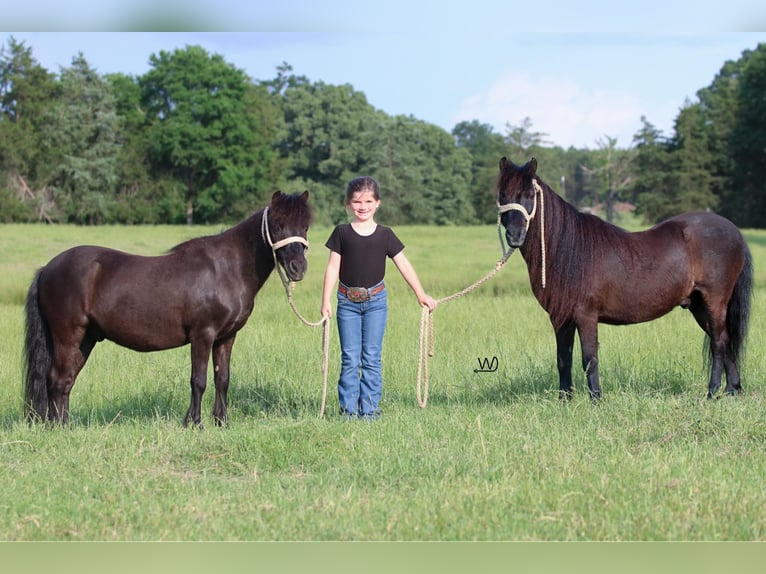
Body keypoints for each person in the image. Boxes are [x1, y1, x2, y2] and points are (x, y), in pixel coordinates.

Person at [321, 176, 437, 419]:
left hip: (376, 303)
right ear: (348, 204)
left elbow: (403, 264)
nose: (362, 206)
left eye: (368, 201)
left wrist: (420, 293)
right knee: (350, 358)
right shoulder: (341, 233)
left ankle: (371, 411)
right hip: (347, 303)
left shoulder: (385, 235)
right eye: (357, 201)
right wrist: (326, 300)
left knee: (372, 357)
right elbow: (333, 267)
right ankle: (348, 412)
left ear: (377, 203)